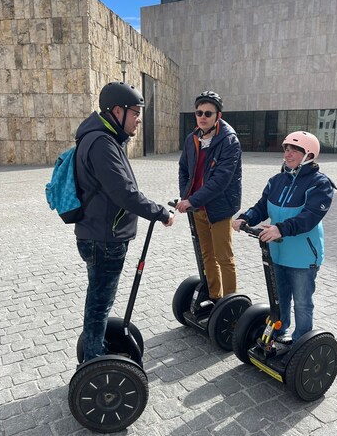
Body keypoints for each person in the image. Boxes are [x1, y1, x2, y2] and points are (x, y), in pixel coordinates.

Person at [74, 81, 174, 362]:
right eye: (135, 112)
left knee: (99, 299)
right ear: (117, 111)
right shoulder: (102, 143)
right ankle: (95, 358)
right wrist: (159, 212)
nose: (139, 119)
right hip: (104, 236)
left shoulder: (101, 138)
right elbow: (124, 193)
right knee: (99, 303)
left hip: (99, 231)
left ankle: (95, 348)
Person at [233, 131, 336, 344]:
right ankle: (279, 332)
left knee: (302, 303)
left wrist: (280, 228)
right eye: (286, 148)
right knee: (279, 299)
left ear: (309, 154)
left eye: (295, 149)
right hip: (277, 253)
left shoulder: (320, 184)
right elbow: (262, 206)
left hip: (302, 256)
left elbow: (309, 217)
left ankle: (301, 345)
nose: (288, 153)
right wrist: (246, 217)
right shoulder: (276, 180)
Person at [176, 91, 242, 302]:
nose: (202, 117)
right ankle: (215, 297)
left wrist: (191, 200)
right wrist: (185, 195)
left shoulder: (229, 141)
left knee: (224, 257)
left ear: (218, 116)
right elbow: (183, 168)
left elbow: (221, 181)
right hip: (198, 208)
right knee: (207, 256)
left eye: (208, 113)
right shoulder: (192, 138)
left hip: (219, 207)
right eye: (199, 112)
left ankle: (231, 304)